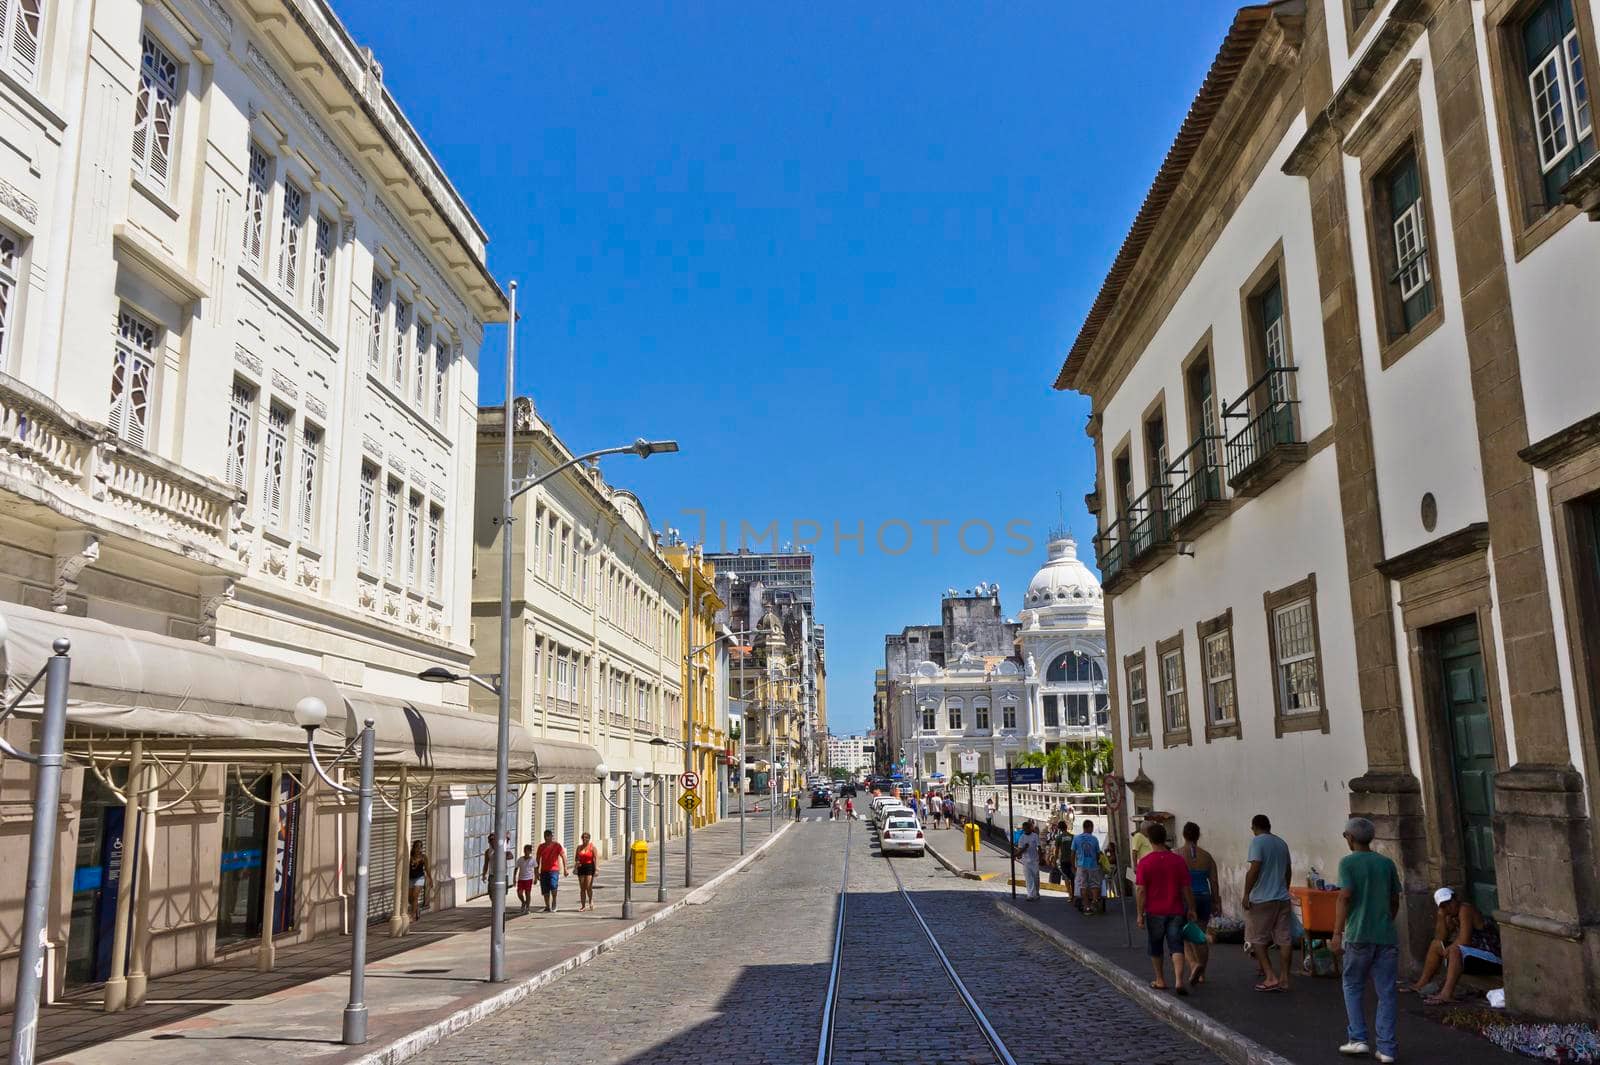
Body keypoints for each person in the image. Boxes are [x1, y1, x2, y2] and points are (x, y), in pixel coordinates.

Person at [1333, 816, 1401, 1063]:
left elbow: (1345, 897)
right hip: (1385, 935)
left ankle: (1358, 1038)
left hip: (1358, 934)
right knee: (1387, 992)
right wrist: (1387, 920)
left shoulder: (1348, 863)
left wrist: (1336, 933)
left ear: (1350, 838)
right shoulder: (1386, 864)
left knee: (1352, 985)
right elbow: (1395, 900)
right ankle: (1387, 1048)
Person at [1406, 886, 1500, 1005]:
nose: (1449, 907)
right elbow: (1440, 938)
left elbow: (1464, 940)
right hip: (1474, 955)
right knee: (1436, 945)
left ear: (1456, 899)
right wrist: (1441, 917)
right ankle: (1421, 984)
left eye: (1450, 902)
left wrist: (1450, 949)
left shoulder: (1465, 909)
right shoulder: (1450, 915)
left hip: (1493, 956)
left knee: (1455, 950)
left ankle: (1446, 994)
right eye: (1444, 906)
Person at [1135, 822, 1196, 995]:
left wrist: (1140, 914)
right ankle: (1178, 980)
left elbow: (1141, 891)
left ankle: (1160, 979)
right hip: (1175, 909)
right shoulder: (1178, 861)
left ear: (1149, 839)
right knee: (1176, 945)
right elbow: (1186, 888)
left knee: (1156, 946)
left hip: (1154, 911)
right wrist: (1191, 907)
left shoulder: (1145, 863)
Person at [1243, 813, 1294, 992]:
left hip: (1262, 899)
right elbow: (1288, 871)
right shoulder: (1281, 843)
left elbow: (1254, 868)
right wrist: (1284, 888)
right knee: (1284, 939)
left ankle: (1270, 976)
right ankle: (1285, 979)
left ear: (1254, 827)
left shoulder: (1257, 842)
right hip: (1282, 898)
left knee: (1257, 939)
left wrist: (1246, 893)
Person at [1180, 822, 1219, 982]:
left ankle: (1194, 964)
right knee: (1201, 935)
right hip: (1204, 896)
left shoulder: (1178, 854)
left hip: (1185, 897)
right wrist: (1216, 902)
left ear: (1184, 835)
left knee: (1185, 934)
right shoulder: (1207, 856)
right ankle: (1202, 973)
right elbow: (1214, 881)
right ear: (1198, 835)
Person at [1073, 819, 1103, 915]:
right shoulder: (1094, 839)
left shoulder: (1076, 838)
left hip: (1081, 866)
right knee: (1094, 885)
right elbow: (1098, 854)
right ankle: (1094, 902)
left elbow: (1072, 853)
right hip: (1093, 865)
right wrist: (1098, 863)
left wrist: (1073, 866)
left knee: (1083, 886)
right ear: (1090, 827)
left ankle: (1086, 907)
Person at [535, 829, 569, 912]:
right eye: (545, 837)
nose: (547, 838)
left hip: (554, 870)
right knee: (545, 889)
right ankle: (547, 906)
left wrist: (565, 868)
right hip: (544, 871)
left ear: (551, 837)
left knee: (553, 886)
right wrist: (536, 872)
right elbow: (537, 859)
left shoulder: (557, 845)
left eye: (548, 836)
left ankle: (554, 901)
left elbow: (563, 856)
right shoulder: (541, 846)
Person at [1015, 819, 1042, 900]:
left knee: (1036, 878)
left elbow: (1039, 847)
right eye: (1025, 828)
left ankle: (1036, 893)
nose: (1026, 830)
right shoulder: (1022, 838)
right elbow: (1019, 851)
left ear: (1031, 828)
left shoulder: (1035, 836)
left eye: (1028, 828)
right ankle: (1030, 895)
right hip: (1026, 861)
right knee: (1028, 878)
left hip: (1035, 860)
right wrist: (1024, 848)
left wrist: (1040, 857)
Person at [406, 840, 433, 921]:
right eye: (417, 846)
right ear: (414, 848)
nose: (418, 848)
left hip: (420, 878)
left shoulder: (424, 857)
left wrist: (430, 879)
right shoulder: (410, 856)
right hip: (410, 878)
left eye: (420, 847)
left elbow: (427, 869)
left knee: (415, 896)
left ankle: (412, 916)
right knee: (409, 899)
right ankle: (417, 909)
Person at [574, 832, 598, 911]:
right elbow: (576, 858)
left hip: (589, 867)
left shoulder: (592, 847)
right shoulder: (579, 848)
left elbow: (596, 858)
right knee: (582, 888)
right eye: (583, 837)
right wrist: (577, 863)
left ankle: (590, 900)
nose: (585, 839)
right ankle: (583, 906)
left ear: (589, 839)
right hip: (581, 867)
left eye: (586, 838)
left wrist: (596, 869)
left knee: (588, 887)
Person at [513, 844, 538, 914]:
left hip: (528, 879)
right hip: (521, 879)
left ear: (530, 851)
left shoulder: (533, 860)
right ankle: (523, 902)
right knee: (519, 892)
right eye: (525, 850)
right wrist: (514, 879)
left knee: (528, 893)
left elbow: (536, 869)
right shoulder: (520, 859)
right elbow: (516, 869)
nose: (526, 852)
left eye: (527, 850)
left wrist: (536, 878)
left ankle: (528, 907)